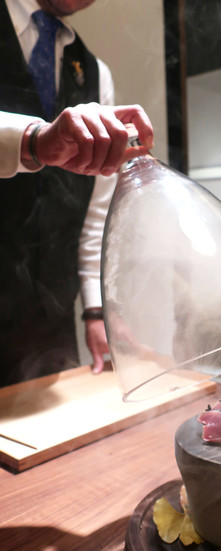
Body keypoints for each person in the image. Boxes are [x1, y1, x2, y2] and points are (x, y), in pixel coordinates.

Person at [0, 0, 154, 386]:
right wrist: (32, 140)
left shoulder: (94, 72)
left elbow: (94, 208)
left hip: (49, 316)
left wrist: (96, 309)